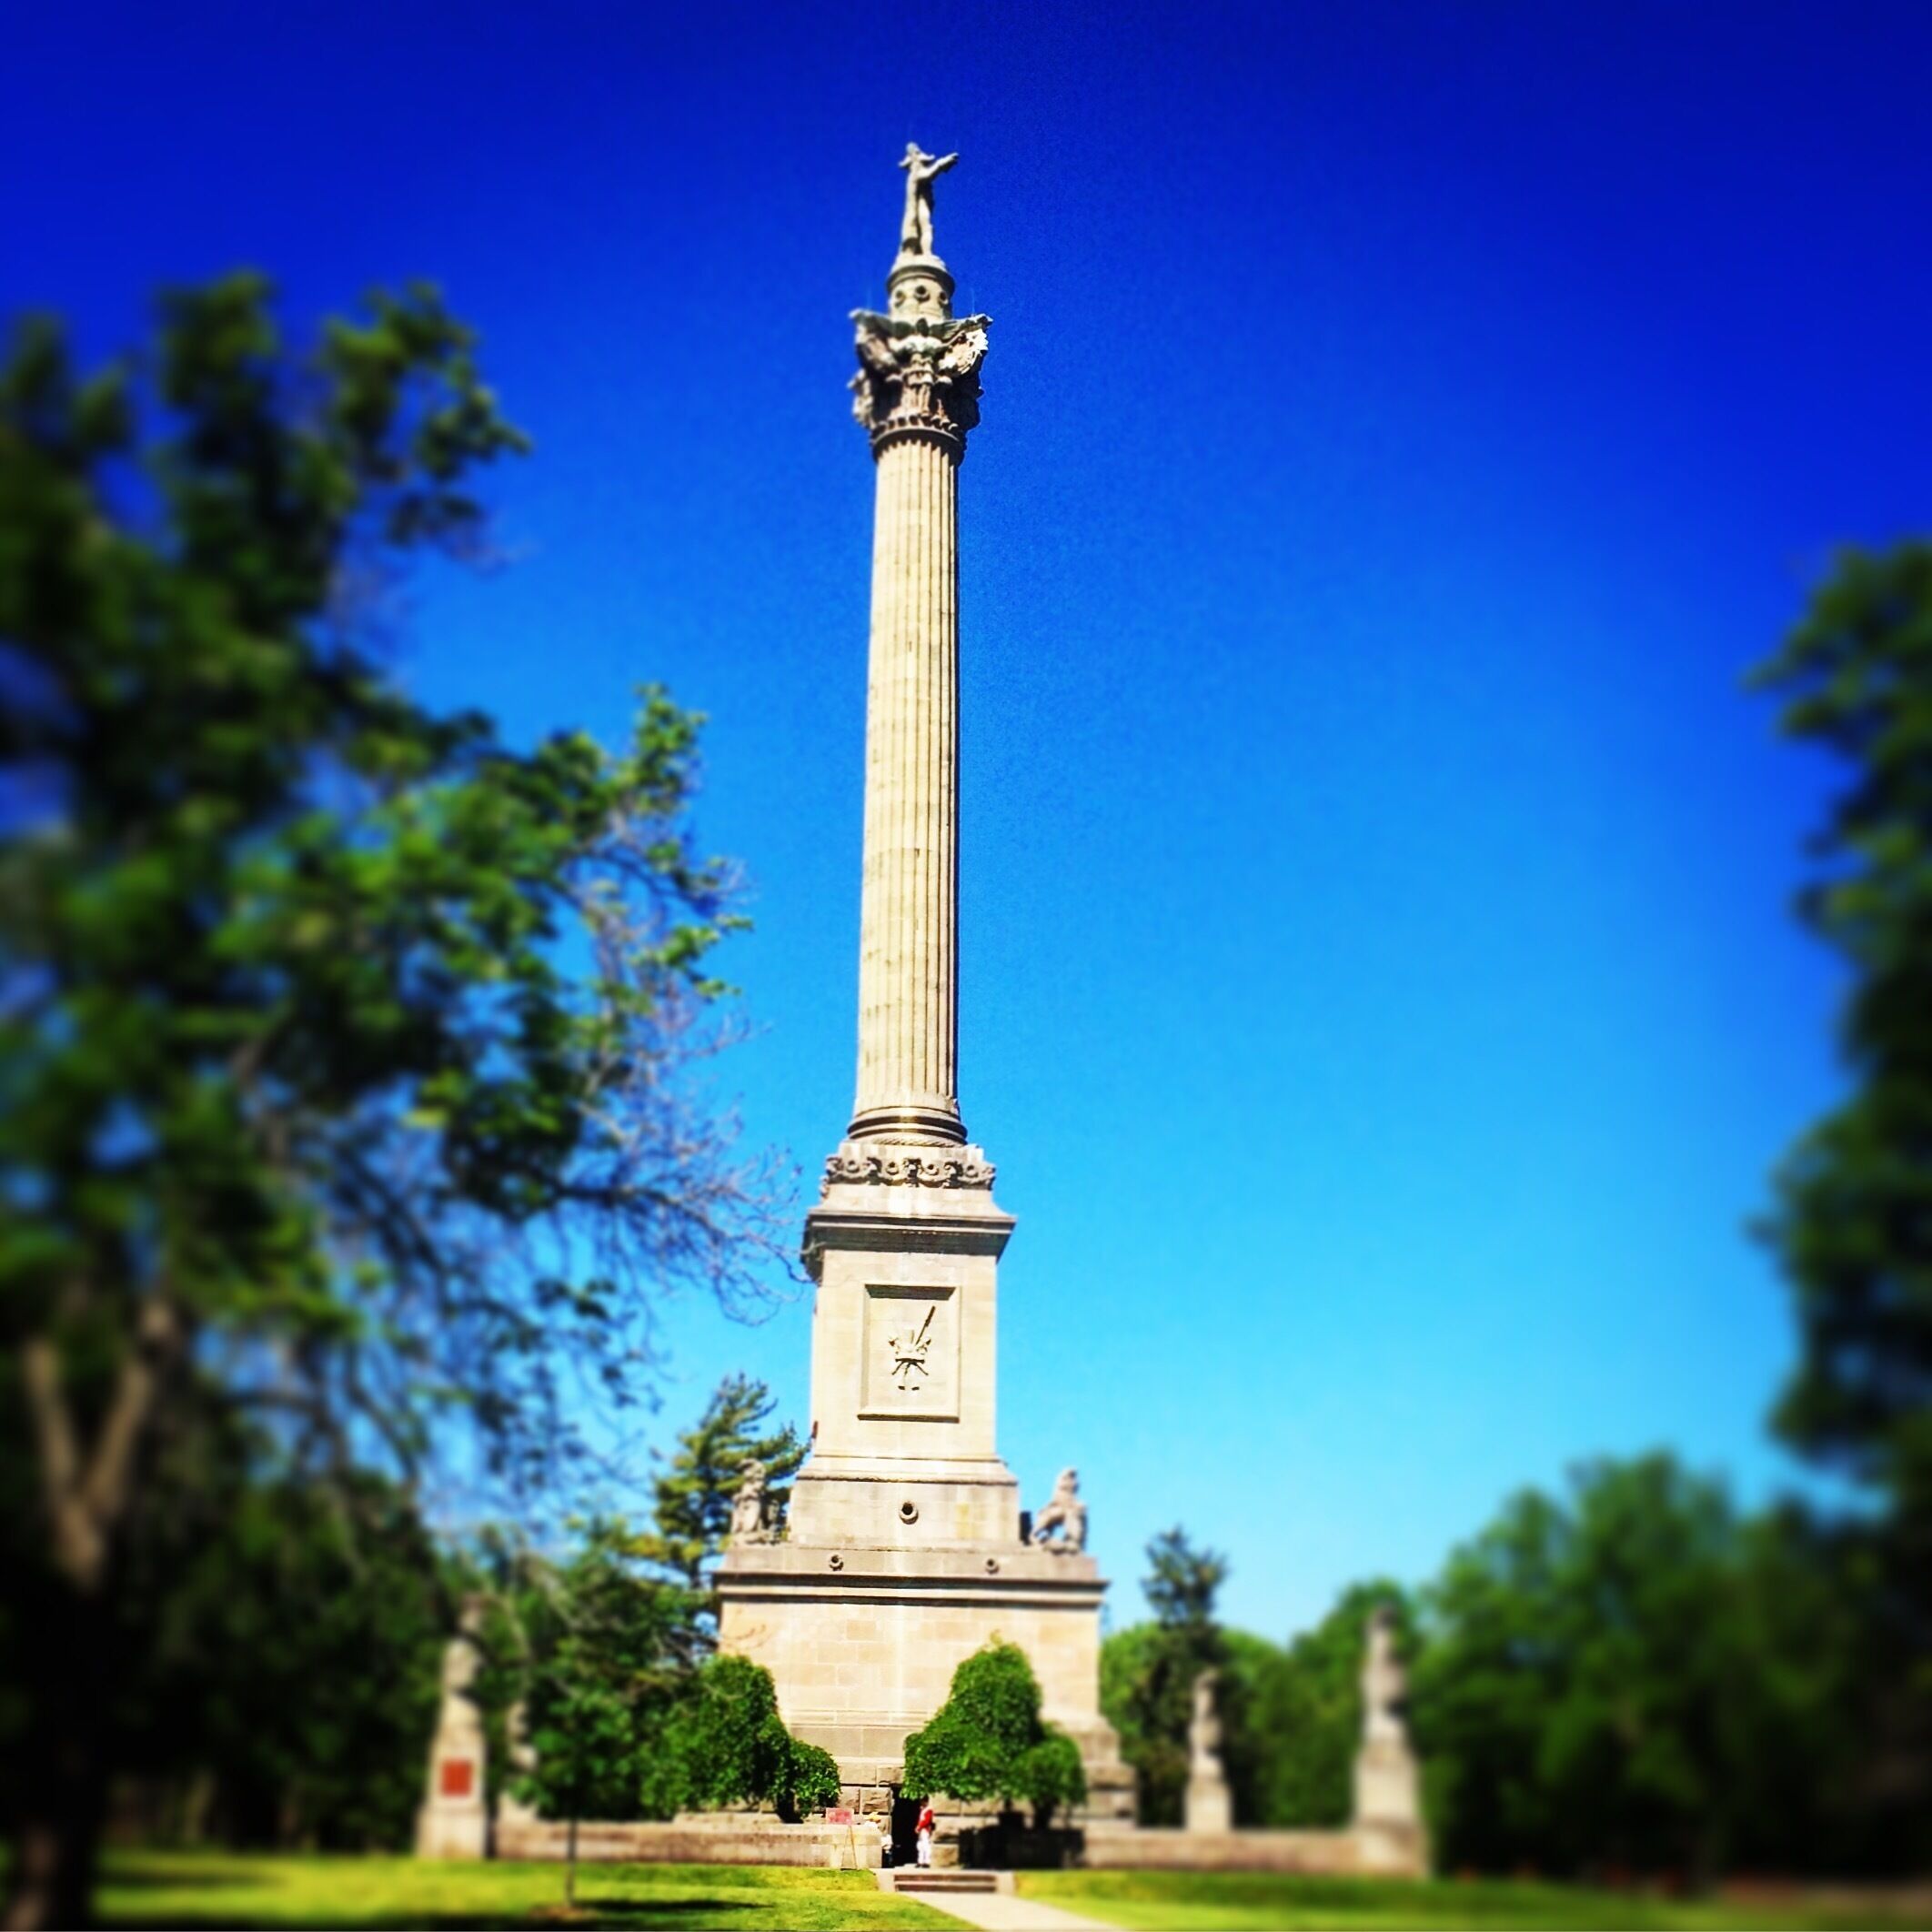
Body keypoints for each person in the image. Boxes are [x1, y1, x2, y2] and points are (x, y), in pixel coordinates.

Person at [915, 1800, 935, 1868]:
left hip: (925, 1829)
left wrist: (919, 1827)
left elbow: (926, 1821)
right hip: (921, 1830)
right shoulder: (923, 1810)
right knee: (920, 1846)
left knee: (926, 1845)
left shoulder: (929, 1810)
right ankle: (920, 1861)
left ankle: (927, 1861)